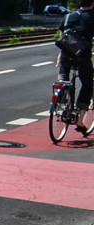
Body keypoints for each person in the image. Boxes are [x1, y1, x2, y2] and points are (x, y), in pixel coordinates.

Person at [58, 0, 94, 135]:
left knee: (63, 79)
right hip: (82, 57)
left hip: (66, 55)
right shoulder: (92, 17)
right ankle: (79, 120)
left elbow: (61, 36)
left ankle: (61, 96)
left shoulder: (68, 16)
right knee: (88, 84)